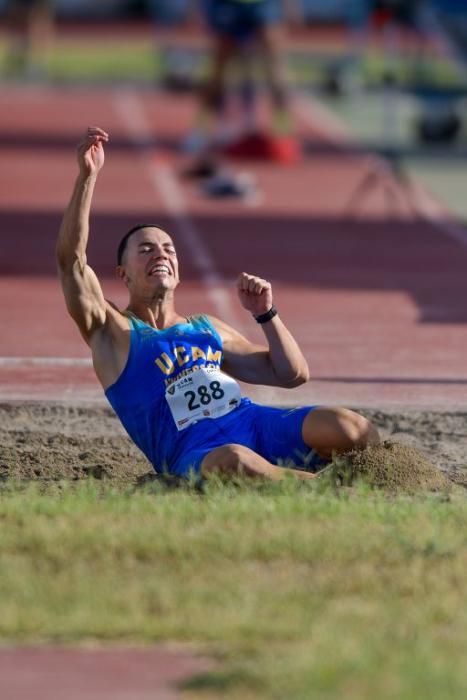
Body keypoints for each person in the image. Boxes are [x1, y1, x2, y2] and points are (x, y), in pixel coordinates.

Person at [56, 127, 380, 482]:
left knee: (352, 427)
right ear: (123, 274)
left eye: (169, 249)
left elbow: (292, 375)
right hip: (195, 451)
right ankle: (322, 489)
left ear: (178, 270)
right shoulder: (112, 331)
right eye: (146, 249)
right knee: (235, 460)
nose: (161, 254)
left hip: (254, 425)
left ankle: (350, 479)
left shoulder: (205, 327)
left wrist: (265, 314)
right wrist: (88, 176)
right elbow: (71, 261)